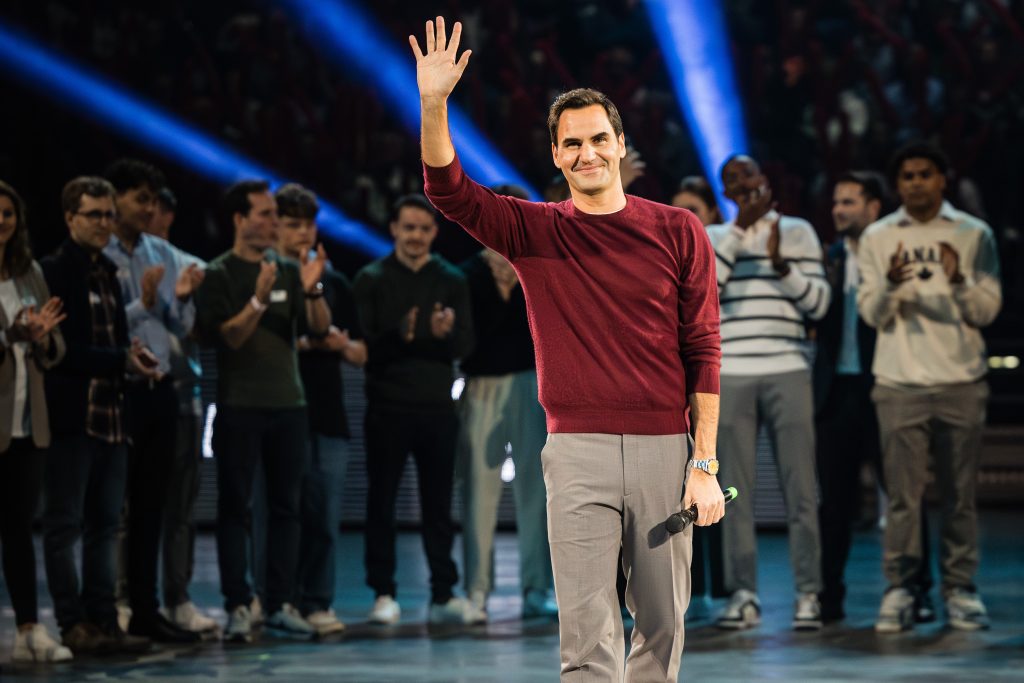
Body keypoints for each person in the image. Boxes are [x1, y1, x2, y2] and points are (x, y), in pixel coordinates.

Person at [411, 18, 724, 682]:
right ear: (555, 155)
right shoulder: (535, 231)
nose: (588, 153)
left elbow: (703, 348)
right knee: (585, 635)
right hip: (576, 452)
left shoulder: (679, 229)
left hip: (665, 449)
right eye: (573, 143)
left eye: (599, 139)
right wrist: (434, 104)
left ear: (621, 145)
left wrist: (703, 461)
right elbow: (448, 190)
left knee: (663, 626)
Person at [857, 143, 1002, 633]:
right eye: (908, 176)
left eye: (925, 174)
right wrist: (893, 286)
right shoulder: (878, 236)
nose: (916, 183)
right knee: (903, 498)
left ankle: (960, 589)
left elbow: (987, 311)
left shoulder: (973, 233)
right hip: (899, 383)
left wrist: (958, 280)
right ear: (898, 185)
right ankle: (901, 588)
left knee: (960, 496)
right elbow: (870, 313)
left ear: (943, 179)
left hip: (961, 380)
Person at [194, 179, 330, 642]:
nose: (274, 222)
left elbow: (317, 328)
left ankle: (279, 604)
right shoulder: (218, 273)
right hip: (239, 406)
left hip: (290, 406)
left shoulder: (287, 270)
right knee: (235, 508)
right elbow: (228, 337)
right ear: (239, 220)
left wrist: (312, 288)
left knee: (287, 508)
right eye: (266, 214)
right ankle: (237, 603)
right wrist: (258, 298)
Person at [706, 154, 830, 631]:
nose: (741, 184)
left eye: (748, 174)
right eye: (731, 179)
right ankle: (743, 594)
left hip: (788, 368)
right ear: (725, 191)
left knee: (801, 488)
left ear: (764, 178)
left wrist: (781, 264)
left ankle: (808, 594)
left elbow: (819, 303)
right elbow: (707, 296)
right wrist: (740, 231)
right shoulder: (715, 236)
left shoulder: (797, 231)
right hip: (732, 371)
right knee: (734, 491)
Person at [41, 176, 160, 655]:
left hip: (112, 415)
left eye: (109, 215)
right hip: (73, 417)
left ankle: (105, 621)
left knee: (106, 525)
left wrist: (131, 357)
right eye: (94, 215)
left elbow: (113, 341)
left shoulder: (108, 272)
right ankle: (72, 623)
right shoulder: (54, 271)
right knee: (64, 525)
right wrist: (119, 360)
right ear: (70, 217)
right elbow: (61, 352)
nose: (104, 224)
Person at [814, 171, 935, 623]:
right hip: (835, 392)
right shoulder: (828, 257)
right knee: (834, 502)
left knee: (903, 494)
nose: (839, 210)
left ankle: (918, 590)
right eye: (836, 202)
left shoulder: (893, 254)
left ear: (873, 207)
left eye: (849, 202)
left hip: (885, 384)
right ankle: (829, 596)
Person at [353, 193, 474, 626]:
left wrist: (443, 335)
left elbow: (465, 346)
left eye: (424, 229)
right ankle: (383, 593)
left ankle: (443, 594)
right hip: (386, 407)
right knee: (381, 503)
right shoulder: (371, 278)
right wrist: (402, 335)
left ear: (435, 232)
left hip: (437, 409)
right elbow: (364, 347)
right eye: (409, 228)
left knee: (438, 506)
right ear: (394, 230)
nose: (416, 236)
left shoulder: (452, 279)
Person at [102, 158, 204, 644]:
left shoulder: (161, 252)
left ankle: (146, 610)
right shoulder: (98, 254)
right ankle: (109, 608)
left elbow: (182, 327)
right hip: (116, 389)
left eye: (152, 200)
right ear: (115, 198)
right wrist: (141, 305)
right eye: (140, 199)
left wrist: (179, 298)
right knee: (110, 510)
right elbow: (100, 326)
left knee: (150, 508)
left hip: (161, 391)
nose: (148, 209)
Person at [457, 184, 556, 625]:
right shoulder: (465, 275)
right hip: (481, 386)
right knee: (478, 491)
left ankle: (537, 588)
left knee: (538, 491)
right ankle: (477, 590)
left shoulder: (536, 267)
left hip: (532, 386)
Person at [273, 182, 367, 636]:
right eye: (292, 224)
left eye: (308, 224)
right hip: (277, 411)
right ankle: (278, 600)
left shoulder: (337, 282)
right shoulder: (265, 275)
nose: (302, 233)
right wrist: (310, 342)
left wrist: (339, 344)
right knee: (280, 514)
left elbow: (360, 352)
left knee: (325, 517)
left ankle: (317, 601)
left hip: (328, 414)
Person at [138, 185, 217, 635]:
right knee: (132, 510)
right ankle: (129, 599)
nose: (153, 220)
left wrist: (184, 296)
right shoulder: (113, 261)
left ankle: (178, 597)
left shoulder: (190, 265)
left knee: (180, 508)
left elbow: (203, 330)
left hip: (184, 396)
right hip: (133, 393)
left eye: (160, 213)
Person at [0, 179, 71, 662]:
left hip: (27, 419)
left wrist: (41, 337)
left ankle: (28, 629)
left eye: (7, 213)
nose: (1, 221)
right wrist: (12, 335)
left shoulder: (30, 274)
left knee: (19, 528)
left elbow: (55, 346)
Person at [668, 175, 728, 621]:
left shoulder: (714, 249)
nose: (685, 219)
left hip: (713, 388)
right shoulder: (669, 250)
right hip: (678, 391)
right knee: (678, 501)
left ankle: (713, 591)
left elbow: (705, 339)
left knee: (710, 493)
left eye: (694, 210)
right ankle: (685, 594)